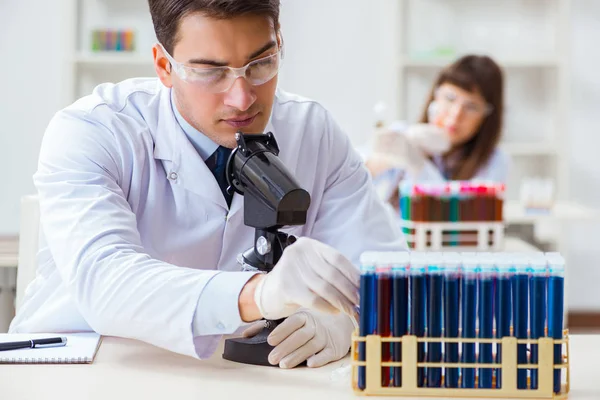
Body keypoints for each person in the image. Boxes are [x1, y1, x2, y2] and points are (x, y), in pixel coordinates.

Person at [9, 0, 406, 369]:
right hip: (85, 367)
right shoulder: (94, 129)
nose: (242, 98)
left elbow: (387, 275)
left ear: (279, 42)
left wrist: (347, 323)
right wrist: (259, 294)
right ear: (164, 66)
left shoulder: (312, 130)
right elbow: (106, 282)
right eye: (210, 71)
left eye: (261, 63)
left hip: (238, 378)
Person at [365, 55, 509, 209]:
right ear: (435, 96)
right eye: (450, 98)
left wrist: (419, 165)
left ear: (487, 116)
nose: (456, 115)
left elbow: (456, 217)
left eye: (471, 107)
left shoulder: (494, 161)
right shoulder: (403, 135)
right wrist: (380, 161)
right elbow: (348, 183)